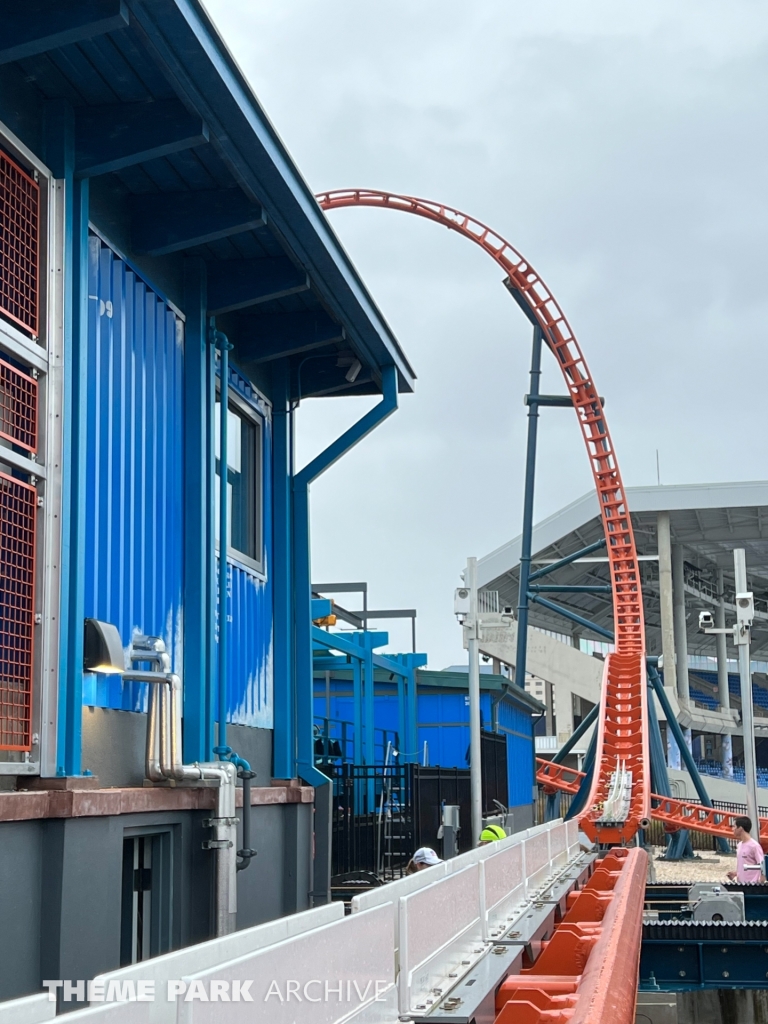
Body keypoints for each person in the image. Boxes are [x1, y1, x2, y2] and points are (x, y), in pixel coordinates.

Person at [726, 816, 765, 883]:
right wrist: (736, 874)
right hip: (741, 885)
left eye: (734, 826)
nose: (732, 829)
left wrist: (760, 887)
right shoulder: (739, 845)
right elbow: (746, 865)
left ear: (740, 828)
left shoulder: (754, 846)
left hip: (752, 887)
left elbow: (763, 868)